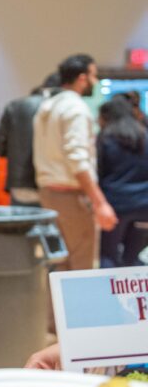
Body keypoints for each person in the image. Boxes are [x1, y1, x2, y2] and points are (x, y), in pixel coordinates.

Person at [33, 54, 117, 271]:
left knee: (60, 267)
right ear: (82, 78)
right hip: (71, 196)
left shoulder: (47, 106)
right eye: (93, 76)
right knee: (81, 268)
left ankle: (53, 307)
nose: (95, 82)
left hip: (48, 194)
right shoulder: (76, 109)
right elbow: (77, 160)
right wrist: (100, 203)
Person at [0, 73, 61, 206]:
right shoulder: (59, 107)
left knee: (21, 225)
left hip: (20, 183)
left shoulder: (13, 106)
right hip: (54, 184)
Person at [97, 98, 148, 267]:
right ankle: (134, 293)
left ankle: (108, 294)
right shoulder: (144, 136)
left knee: (108, 256)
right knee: (133, 258)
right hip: (144, 207)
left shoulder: (105, 138)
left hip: (115, 208)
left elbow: (98, 172)